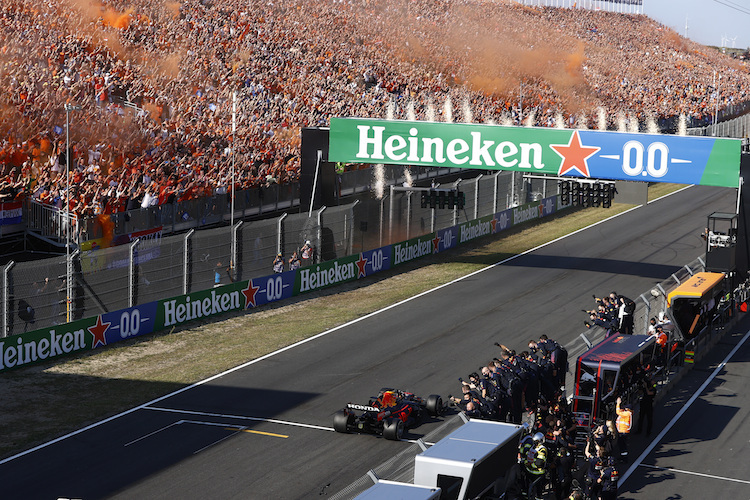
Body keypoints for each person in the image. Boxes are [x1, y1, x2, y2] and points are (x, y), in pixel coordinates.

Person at [615, 397, 633, 463]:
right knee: (621, 445)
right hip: (623, 432)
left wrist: (618, 404)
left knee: (622, 445)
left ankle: (624, 459)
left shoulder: (627, 414)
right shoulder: (628, 414)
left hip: (623, 432)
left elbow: (618, 412)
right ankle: (623, 457)